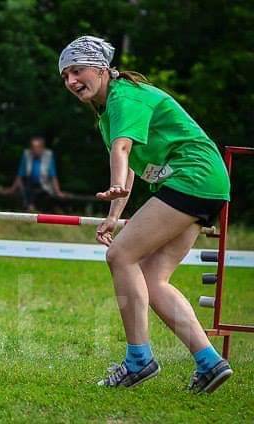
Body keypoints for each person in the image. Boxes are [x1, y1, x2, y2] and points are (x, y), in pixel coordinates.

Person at [59, 35, 232, 393]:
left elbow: (122, 150)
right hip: (204, 182)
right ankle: (210, 363)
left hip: (192, 177)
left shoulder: (125, 97)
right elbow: (134, 164)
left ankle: (139, 360)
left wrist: (116, 184)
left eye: (77, 71)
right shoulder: (109, 110)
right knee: (153, 279)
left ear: (101, 69)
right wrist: (114, 212)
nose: (71, 81)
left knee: (120, 255)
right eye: (65, 76)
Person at [1, 136, 65, 211]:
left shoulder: (48, 155)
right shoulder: (26, 154)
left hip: (44, 186)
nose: (35, 150)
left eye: (37, 147)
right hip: (28, 185)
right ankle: (30, 206)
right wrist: (12, 189)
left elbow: (53, 176)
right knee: (26, 186)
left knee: (36, 192)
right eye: (33, 147)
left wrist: (58, 192)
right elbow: (20, 174)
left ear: (42, 148)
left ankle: (30, 206)